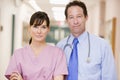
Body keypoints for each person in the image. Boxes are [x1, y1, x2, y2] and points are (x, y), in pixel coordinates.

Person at [56, 0, 117, 80]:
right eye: (71, 17)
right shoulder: (60, 47)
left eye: (79, 16)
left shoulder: (102, 46)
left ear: (86, 17)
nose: (75, 21)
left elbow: (110, 77)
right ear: (67, 20)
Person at [5, 11, 68, 80]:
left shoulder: (58, 54)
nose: (39, 31)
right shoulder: (18, 55)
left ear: (48, 29)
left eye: (43, 27)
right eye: (35, 27)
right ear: (29, 28)